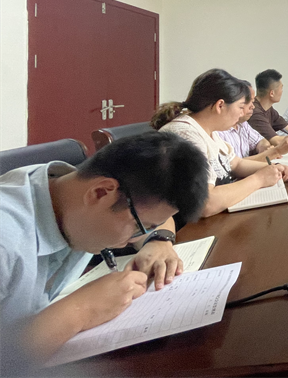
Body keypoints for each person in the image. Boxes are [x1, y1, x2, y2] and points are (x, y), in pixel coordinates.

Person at [0, 132, 209, 369]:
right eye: (139, 227)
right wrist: (81, 310)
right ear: (101, 192)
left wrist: (158, 240)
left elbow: (158, 218)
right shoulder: (6, 241)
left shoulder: (70, 192)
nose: (132, 239)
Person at [151, 69, 288, 218]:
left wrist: (274, 168)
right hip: (189, 226)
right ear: (220, 105)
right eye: (240, 107)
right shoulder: (185, 134)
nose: (242, 113)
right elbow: (205, 203)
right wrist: (259, 179)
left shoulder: (210, 131)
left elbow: (236, 164)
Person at [218, 83, 288, 162]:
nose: (252, 106)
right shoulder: (218, 131)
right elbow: (233, 165)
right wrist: (274, 152)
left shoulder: (242, 124)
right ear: (221, 105)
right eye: (246, 102)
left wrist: (266, 149)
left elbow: (260, 141)